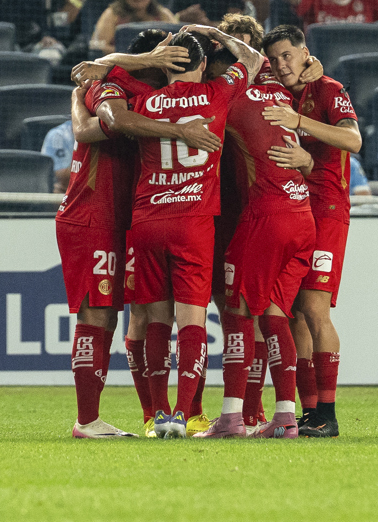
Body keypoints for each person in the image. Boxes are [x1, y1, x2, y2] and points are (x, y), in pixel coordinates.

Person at [59, 30, 219, 439]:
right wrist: (179, 132)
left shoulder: (148, 97)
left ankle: (152, 415)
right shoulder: (113, 86)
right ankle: (87, 419)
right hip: (94, 213)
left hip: (130, 216)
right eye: (165, 55)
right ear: (153, 58)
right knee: (97, 313)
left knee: (132, 315)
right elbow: (99, 127)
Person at [107, 30, 262, 439]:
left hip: (147, 221)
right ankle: (183, 413)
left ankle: (158, 416)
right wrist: (217, 34)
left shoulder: (143, 100)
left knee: (156, 320)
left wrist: (147, 61)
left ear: (164, 63)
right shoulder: (217, 93)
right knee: (191, 320)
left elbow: (105, 77)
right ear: (200, 64)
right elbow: (253, 60)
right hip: (193, 224)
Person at [193, 27, 316, 439]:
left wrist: (211, 34)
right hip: (302, 216)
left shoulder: (235, 96)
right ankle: (284, 417)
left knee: (238, 312)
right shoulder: (282, 96)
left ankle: (231, 417)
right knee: (275, 316)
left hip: (265, 217)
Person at [262, 24, 362, 438]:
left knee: (315, 311)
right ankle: (312, 412)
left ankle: (330, 415)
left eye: (289, 54)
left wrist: (298, 120)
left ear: (305, 52)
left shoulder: (328, 88)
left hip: (328, 209)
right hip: (296, 210)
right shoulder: (280, 91)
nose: (282, 64)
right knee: (297, 315)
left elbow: (353, 140)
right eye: (275, 58)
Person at [89, 0, 175, 54]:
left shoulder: (163, 14)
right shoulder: (112, 14)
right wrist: (131, 55)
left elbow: (179, 43)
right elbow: (96, 46)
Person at [41, 119, 74, 193]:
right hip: (65, 189)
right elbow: (60, 177)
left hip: (96, 189)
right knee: (57, 190)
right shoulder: (57, 135)